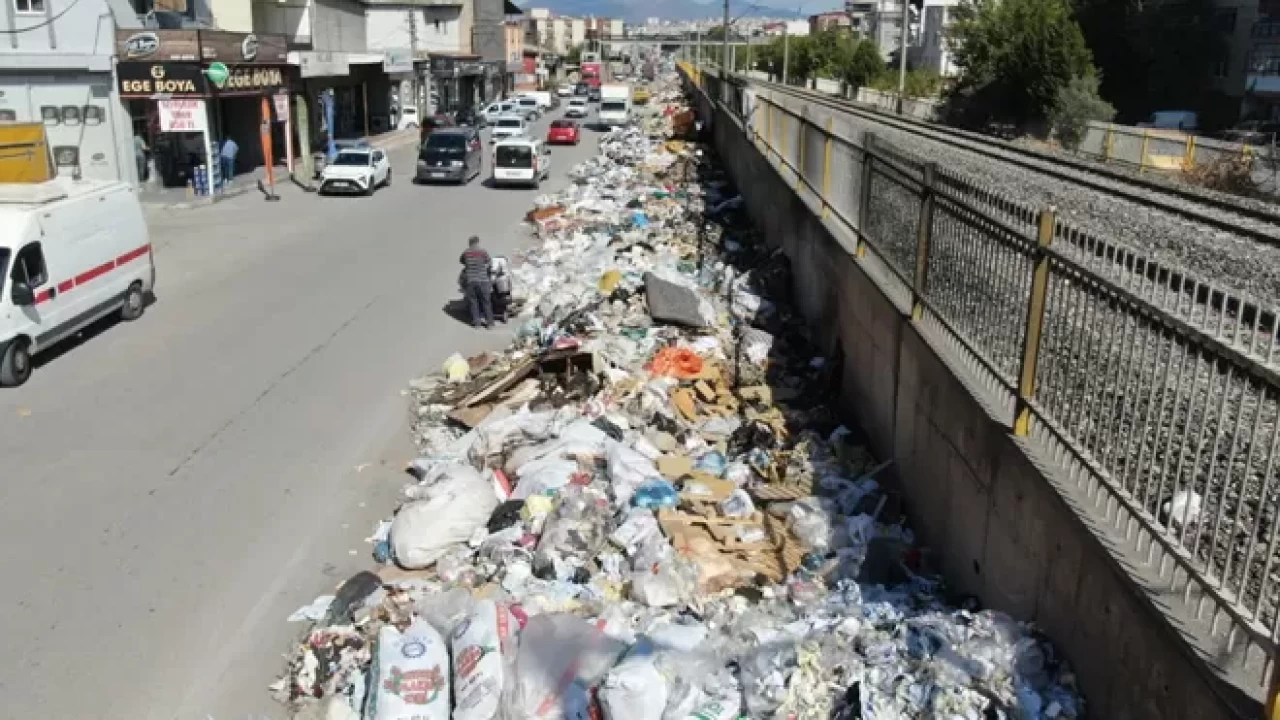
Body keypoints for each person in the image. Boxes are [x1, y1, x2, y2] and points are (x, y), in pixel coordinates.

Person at [460, 236, 494, 329]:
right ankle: (490, 324)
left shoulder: (466, 252)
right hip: (483, 280)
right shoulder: (483, 251)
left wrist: (469, 264)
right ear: (477, 242)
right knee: (486, 302)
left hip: (471, 280)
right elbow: (489, 262)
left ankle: (477, 324)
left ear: (469, 243)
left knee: (473, 302)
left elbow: (461, 261)